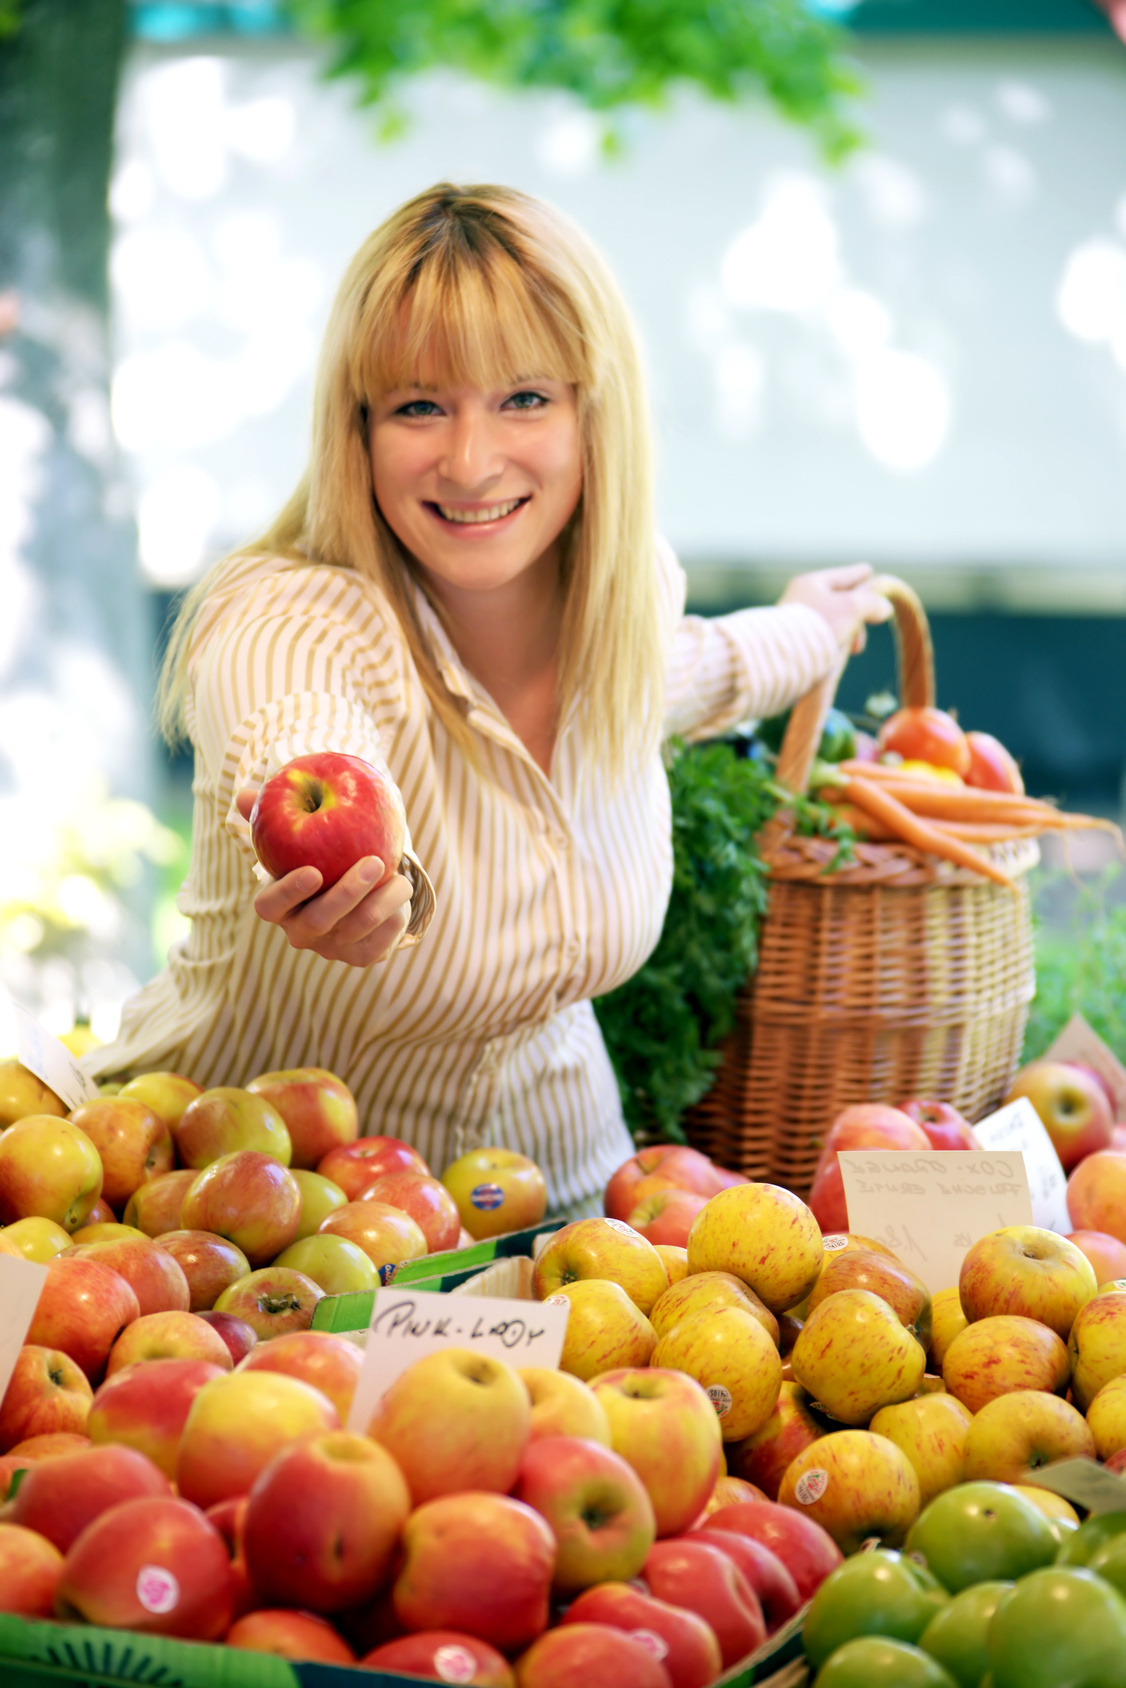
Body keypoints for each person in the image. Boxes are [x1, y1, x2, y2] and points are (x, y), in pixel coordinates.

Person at [88, 182, 890, 1213]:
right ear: (360, 429)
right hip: (241, 1238)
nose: (469, 462)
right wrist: (357, 872)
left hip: (566, 1213)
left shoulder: (619, 601)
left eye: (523, 398)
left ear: (593, 412)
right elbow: (296, 733)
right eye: (420, 405)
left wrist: (805, 629)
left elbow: (685, 673)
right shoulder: (289, 618)